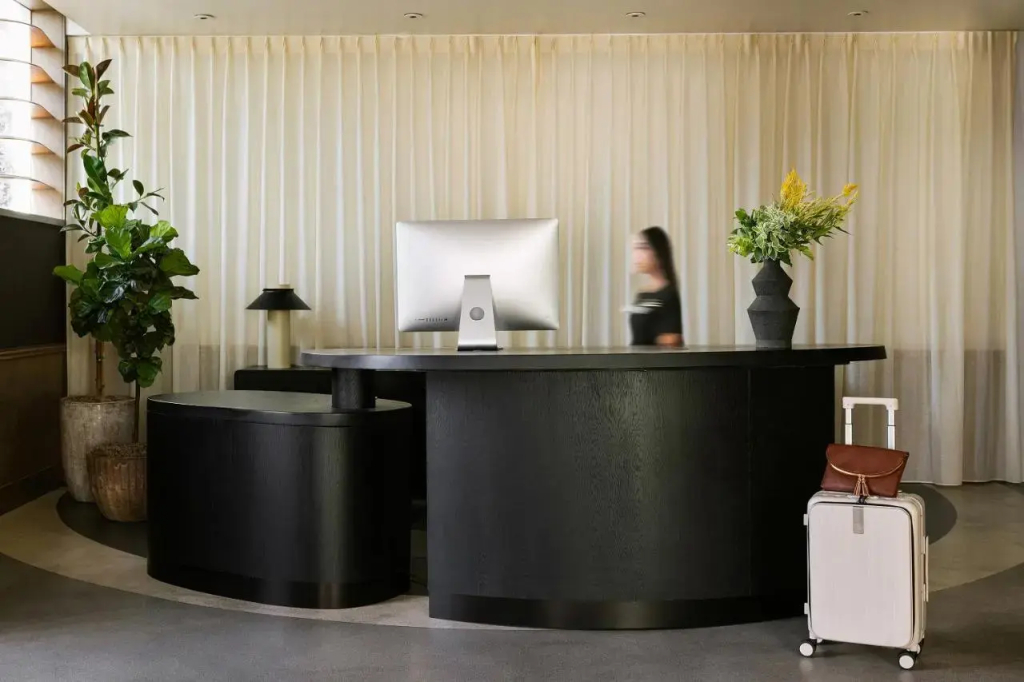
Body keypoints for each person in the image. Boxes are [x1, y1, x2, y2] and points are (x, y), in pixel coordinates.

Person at [629, 226, 684, 347]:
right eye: (635, 249)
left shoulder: (669, 295)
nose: (636, 255)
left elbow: (671, 343)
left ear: (658, 250)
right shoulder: (642, 294)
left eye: (643, 248)